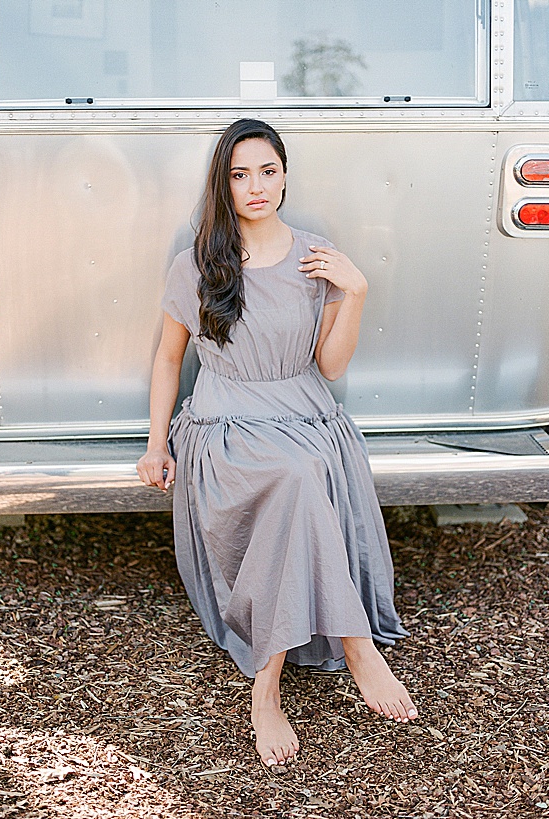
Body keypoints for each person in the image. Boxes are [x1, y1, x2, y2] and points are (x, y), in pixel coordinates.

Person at [135, 118, 416, 769]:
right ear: (223, 184)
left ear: (285, 174)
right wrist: (157, 444)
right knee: (296, 476)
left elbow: (333, 365)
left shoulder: (316, 255)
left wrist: (357, 292)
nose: (255, 186)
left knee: (303, 472)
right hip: (226, 428)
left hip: (306, 415)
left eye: (267, 170)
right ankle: (353, 645)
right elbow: (166, 360)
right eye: (239, 174)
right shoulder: (198, 263)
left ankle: (268, 684)